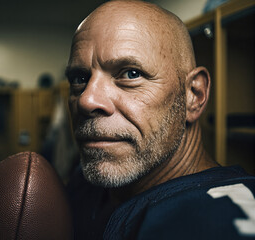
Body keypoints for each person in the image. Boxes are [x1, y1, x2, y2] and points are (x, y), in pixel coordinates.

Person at [64, 0, 255, 239]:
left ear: (193, 95)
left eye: (131, 74)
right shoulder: (82, 184)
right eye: (80, 78)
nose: (87, 100)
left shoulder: (220, 218)